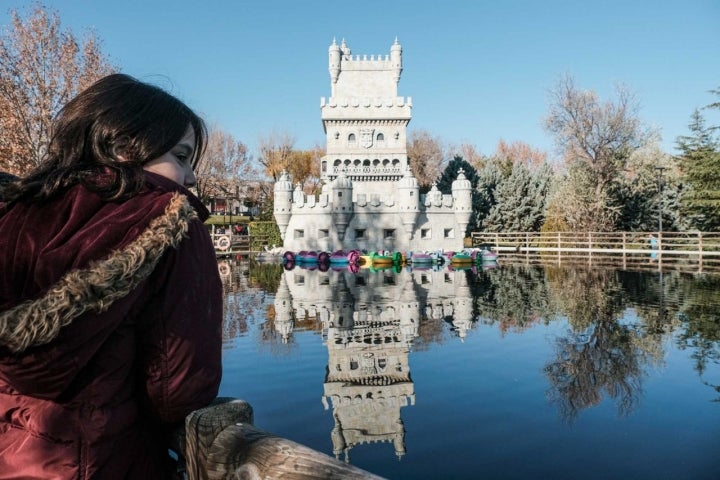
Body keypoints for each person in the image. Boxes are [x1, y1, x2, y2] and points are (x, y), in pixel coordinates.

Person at [0, 74, 223, 479]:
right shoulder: (165, 220)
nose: (190, 178)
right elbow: (179, 391)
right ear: (123, 149)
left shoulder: (13, 213)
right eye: (181, 155)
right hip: (110, 463)